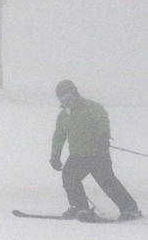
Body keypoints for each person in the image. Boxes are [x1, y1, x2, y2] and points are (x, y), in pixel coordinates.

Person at [49, 79, 142, 221]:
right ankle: (80, 208)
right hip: (78, 155)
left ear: (75, 93)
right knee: (69, 176)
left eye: (67, 97)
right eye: (62, 99)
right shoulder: (63, 116)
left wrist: (104, 136)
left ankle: (130, 209)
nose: (66, 101)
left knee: (106, 180)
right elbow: (59, 136)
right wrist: (55, 155)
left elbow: (103, 121)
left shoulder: (93, 108)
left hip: (98, 153)